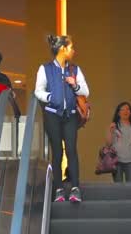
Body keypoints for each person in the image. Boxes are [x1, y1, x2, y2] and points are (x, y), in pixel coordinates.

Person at [34, 34, 89, 202]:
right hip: (52, 114)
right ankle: (58, 189)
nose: (73, 51)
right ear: (63, 49)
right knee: (57, 152)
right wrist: (51, 97)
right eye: (71, 47)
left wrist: (75, 84)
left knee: (71, 150)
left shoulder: (74, 69)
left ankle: (75, 188)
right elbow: (38, 91)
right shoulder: (45, 68)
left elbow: (85, 92)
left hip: (70, 115)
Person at [106, 101, 131, 183]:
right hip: (116, 160)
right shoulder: (115, 126)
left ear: (130, 112)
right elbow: (108, 144)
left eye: (128, 109)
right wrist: (110, 131)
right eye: (123, 110)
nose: (126, 111)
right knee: (118, 186)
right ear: (118, 113)